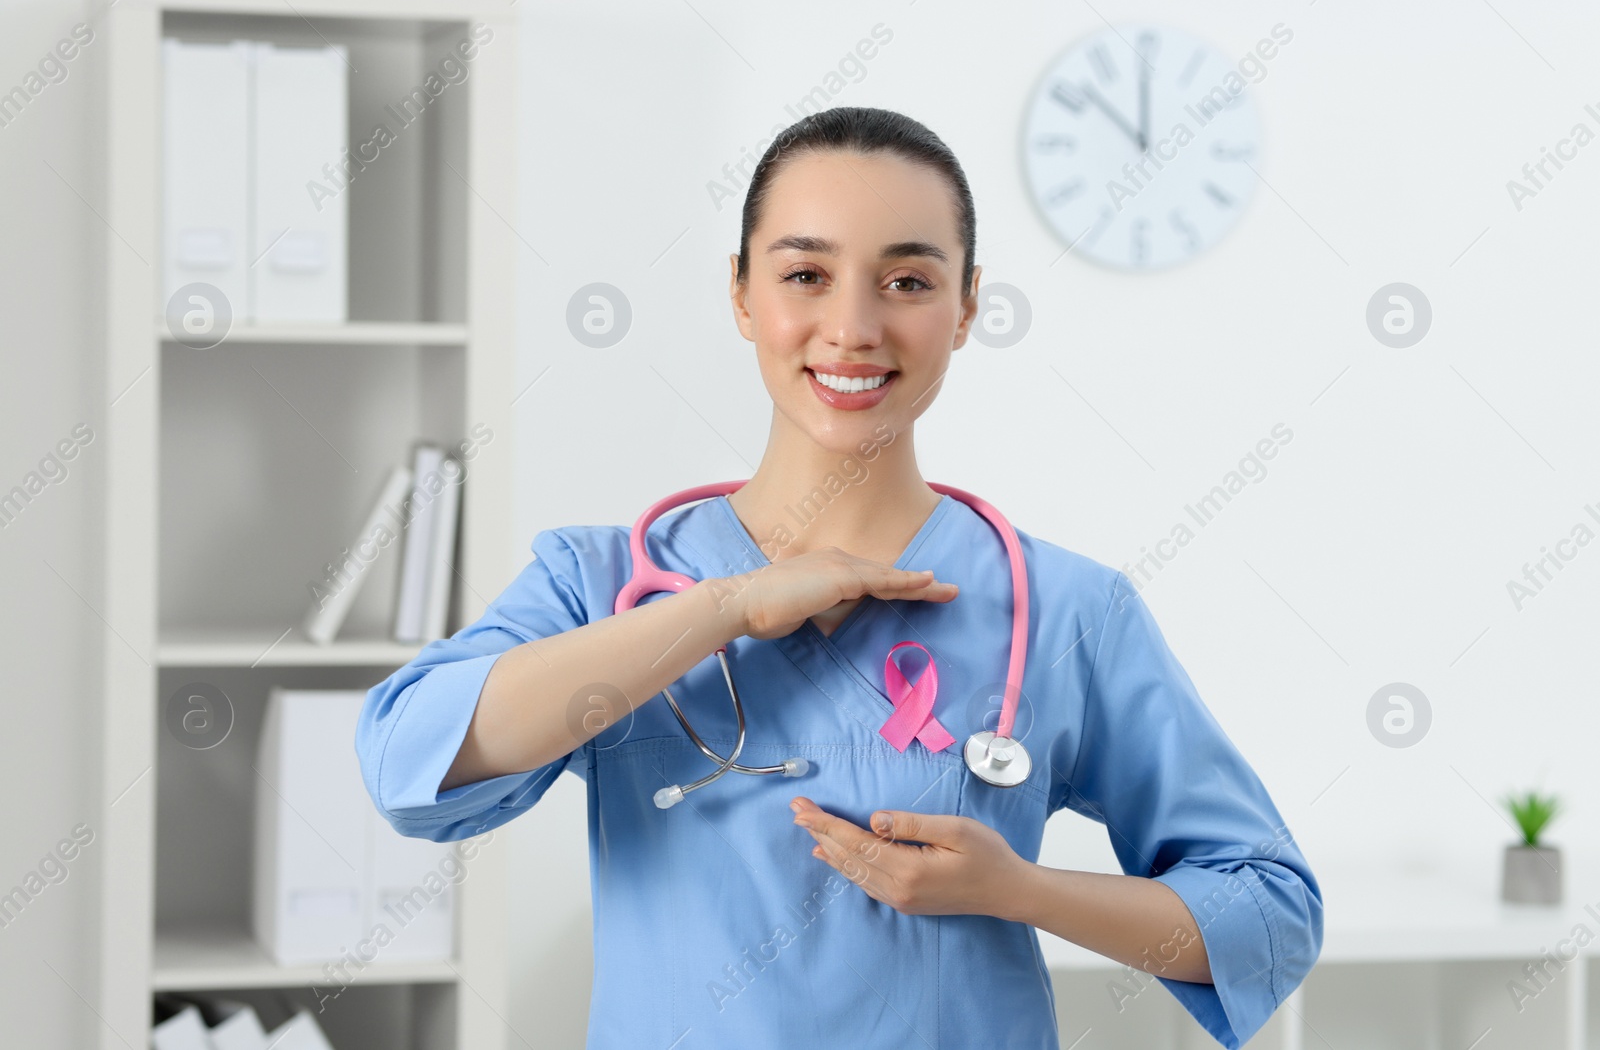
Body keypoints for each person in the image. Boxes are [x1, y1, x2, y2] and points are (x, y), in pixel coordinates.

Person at [355, 106, 1322, 1049]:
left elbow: (1268, 913)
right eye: (806, 274)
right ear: (740, 293)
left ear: (968, 305)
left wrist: (1014, 889)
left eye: (906, 279)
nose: (853, 326)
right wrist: (722, 606)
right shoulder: (604, 583)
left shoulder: (1068, 608)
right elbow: (409, 762)